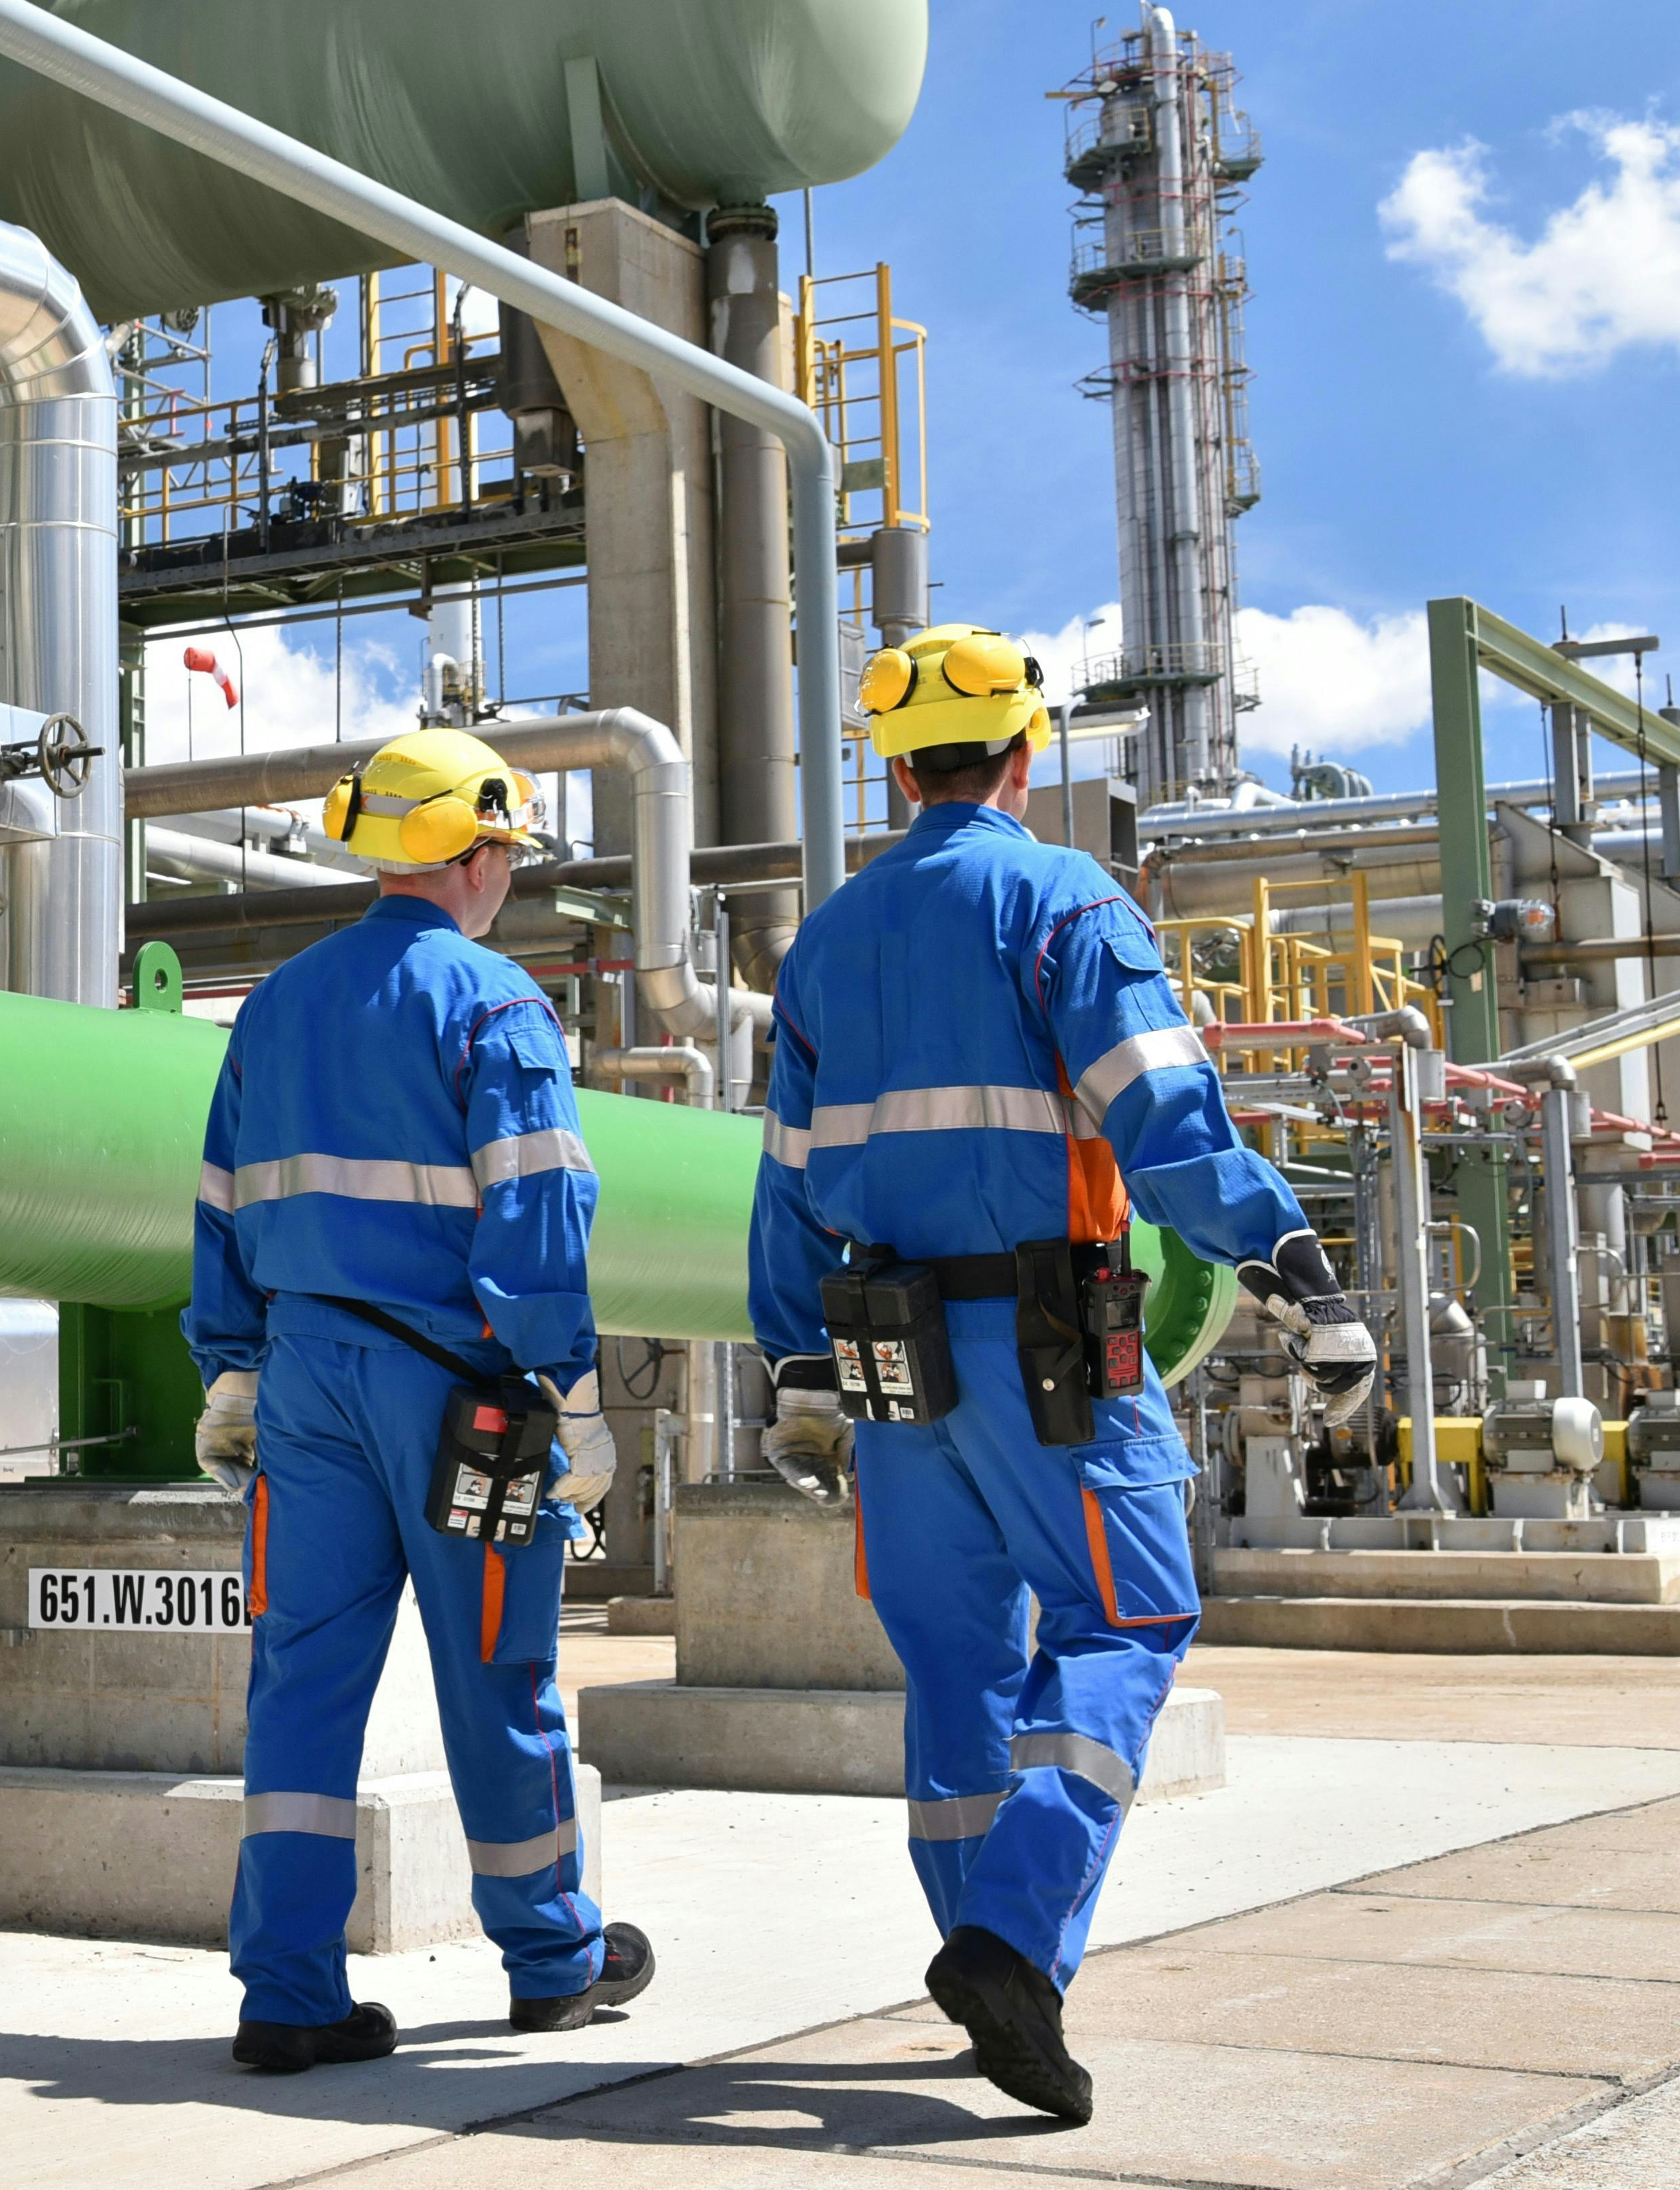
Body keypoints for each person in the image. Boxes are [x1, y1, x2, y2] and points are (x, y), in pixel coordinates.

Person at [747, 627, 1379, 2125]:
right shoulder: (1060, 900)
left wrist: (794, 1362)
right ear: (1026, 755)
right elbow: (1163, 1118)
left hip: (885, 1355)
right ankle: (1009, 1943)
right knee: (1129, 1614)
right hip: (1051, 1350)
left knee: (956, 1670)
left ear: (893, 766)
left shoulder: (827, 939)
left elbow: (782, 1182)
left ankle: (990, 1974)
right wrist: (1295, 1270)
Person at [185, 725, 656, 2075]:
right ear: (474, 849)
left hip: (303, 1386)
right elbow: (538, 1215)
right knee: (498, 1677)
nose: (506, 870)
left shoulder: (275, 1005)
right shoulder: (495, 1004)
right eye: (504, 847)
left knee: (300, 1685)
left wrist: (228, 1367)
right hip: (460, 1395)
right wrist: (569, 1392)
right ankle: (552, 1963)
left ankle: (284, 1992)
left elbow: (218, 1198)